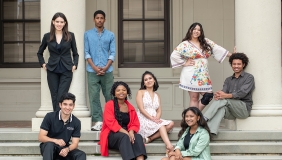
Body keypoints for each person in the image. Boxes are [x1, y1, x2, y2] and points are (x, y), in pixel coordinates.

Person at [170, 22, 235, 111]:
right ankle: (194, 120)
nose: (196, 31)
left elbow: (217, 48)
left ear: (201, 32)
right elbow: (174, 55)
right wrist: (184, 63)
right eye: (194, 29)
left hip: (203, 74)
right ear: (190, 30)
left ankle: (193, 116)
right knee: (194, 98)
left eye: (199, 30)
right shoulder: (185, 44)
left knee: (208, 95)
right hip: (191, 73)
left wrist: (232, 55)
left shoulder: (206, 41)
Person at [204, 53, 255, 135]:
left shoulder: (249, 77)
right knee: (221, 108)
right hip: (231, 111)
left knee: (225, 100)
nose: (236, 66)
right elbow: (223, 93)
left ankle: (203, 119)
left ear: (243, 65)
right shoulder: (228, 80)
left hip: (243, 109)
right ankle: (211, 132)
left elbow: (242, 93)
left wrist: (225, 96)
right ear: (231, 65)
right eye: (234, 64)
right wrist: (218, 95)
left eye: (239, 64)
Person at [37, 12, 79, 111]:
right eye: (57, 22)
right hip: (52, 69)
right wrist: (43, 64)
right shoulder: (47, 36)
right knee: (54, 95)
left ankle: (57, 119)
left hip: (66, 69)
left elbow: (75, 53)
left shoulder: (70, 35)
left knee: (62, 95)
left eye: (61, 22)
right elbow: (39, 53)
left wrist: (75, 65)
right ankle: (57, 119)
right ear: (53, 22)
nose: (59, 24)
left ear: (65, 23)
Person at [84, 10, 116, 131]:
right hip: (92, 71)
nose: (99, 20)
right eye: (97, 18)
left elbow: (112, 53)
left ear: (104, 20)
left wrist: (106, 67)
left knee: (110, 96)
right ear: (94, 19)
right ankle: (98, 121)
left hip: (107, 71)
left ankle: (110, 120)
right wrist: (95, 67)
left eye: (101, 18)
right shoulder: (87, 34)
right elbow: (86, 52)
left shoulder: (110, 35)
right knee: (94, 97)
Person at [99, 81, 147, 160]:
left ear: (127, 92)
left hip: (126, 133)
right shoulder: (109, 104)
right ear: (114, 93)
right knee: (124, 137)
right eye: (118, 90)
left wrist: (131, 132)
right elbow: (111, 122)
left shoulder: (130, 107)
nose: (121, 92)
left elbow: (135, 123)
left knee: (137, 137)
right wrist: (127, 133)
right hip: (112, 134)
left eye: (124, 90)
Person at [38, 92, 86, 160]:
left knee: (81, 154)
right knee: (49, 145)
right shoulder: (49, 116)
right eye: (65, 104)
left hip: (63, 149)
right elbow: (41, 137)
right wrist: (55, 140)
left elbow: (75, 143)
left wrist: (67, 149)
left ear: (73, 106)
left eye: (70, 105)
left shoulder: (76, 122)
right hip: (49, 148)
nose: (67, 107)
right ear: (60, 105)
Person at [136, 71, 174, 152]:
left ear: (154, 80)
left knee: (171, 123)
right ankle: (169, 145)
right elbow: (141, 109)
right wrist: (153, 119)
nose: (148, 81)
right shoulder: (140, 92)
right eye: (145, 80)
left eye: (150, 78)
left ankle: (150, 139)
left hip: (154, 118)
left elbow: (159, 110)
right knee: (161, 125)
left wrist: (157, 118)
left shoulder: (157, 95)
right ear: (144, 83)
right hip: (143, 118)